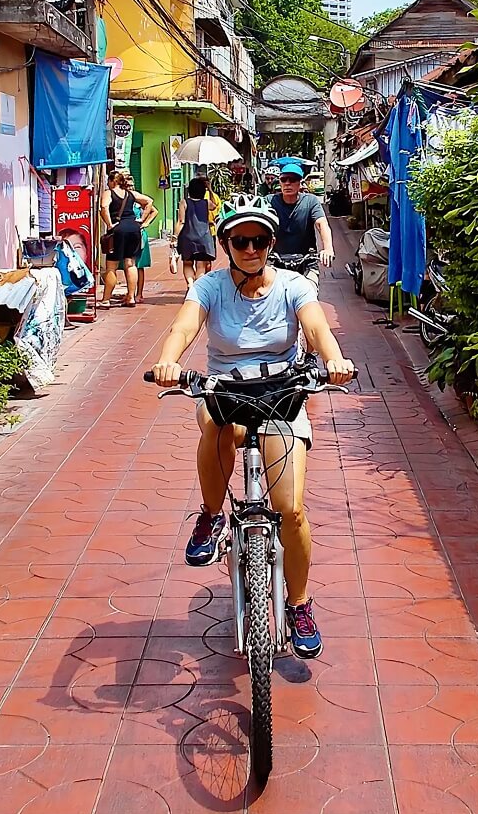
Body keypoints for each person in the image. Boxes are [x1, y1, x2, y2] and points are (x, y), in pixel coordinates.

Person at [151, 198, 355, 659]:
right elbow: (184, 327)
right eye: (240, 240)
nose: (250, 248)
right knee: (218, 425)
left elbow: (317, 328)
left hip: (282, 392)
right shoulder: (209, 287)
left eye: (259, 240)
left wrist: (333, 359)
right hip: (225, 391)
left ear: (271, 243)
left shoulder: (293, 285)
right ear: (225, 245)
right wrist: (169, 360)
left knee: (292, 511)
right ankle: (210, 515)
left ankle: (300, 603)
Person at [270, 158, 334, 287]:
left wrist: (328, 249)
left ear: (300, 183)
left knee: (310, 293)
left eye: (293, 179)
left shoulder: (311, 201)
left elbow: (322, 224)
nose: (287, 183)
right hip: (277, 262)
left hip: (306, 261)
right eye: (284, 179)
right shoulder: (269, 201)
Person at [100, 171, 155, 308]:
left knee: (111, 266)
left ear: (113, 181)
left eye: (109, 181)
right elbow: (149, 201)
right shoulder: (131, 194)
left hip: (118, 230)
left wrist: (109, 224)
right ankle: (131, 297)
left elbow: (104, 207)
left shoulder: (109, 193)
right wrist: (142, 220)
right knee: (130, 264)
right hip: (133, 228)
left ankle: (106, 299)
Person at [117, 174, 157, 302]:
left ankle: (139, 294)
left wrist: (144, 222)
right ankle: (130, 293)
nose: (129, 187)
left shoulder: (137, 198)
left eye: (130, 185)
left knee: (138, 265)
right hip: (128, 233)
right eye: (126, 185)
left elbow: (154, 210)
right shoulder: (122, 198)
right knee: (127, 264)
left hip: (138, 234)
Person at [173, 176, 216, 290]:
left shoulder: (184, 202)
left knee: (187, 263)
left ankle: (190, 284)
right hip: (204, 238)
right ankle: (197, 287)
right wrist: (210, 189)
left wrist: (174, 237)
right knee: (201, 265)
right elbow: (215, 205)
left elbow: (181, 222)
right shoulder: (206, 203)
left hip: (188, 238)